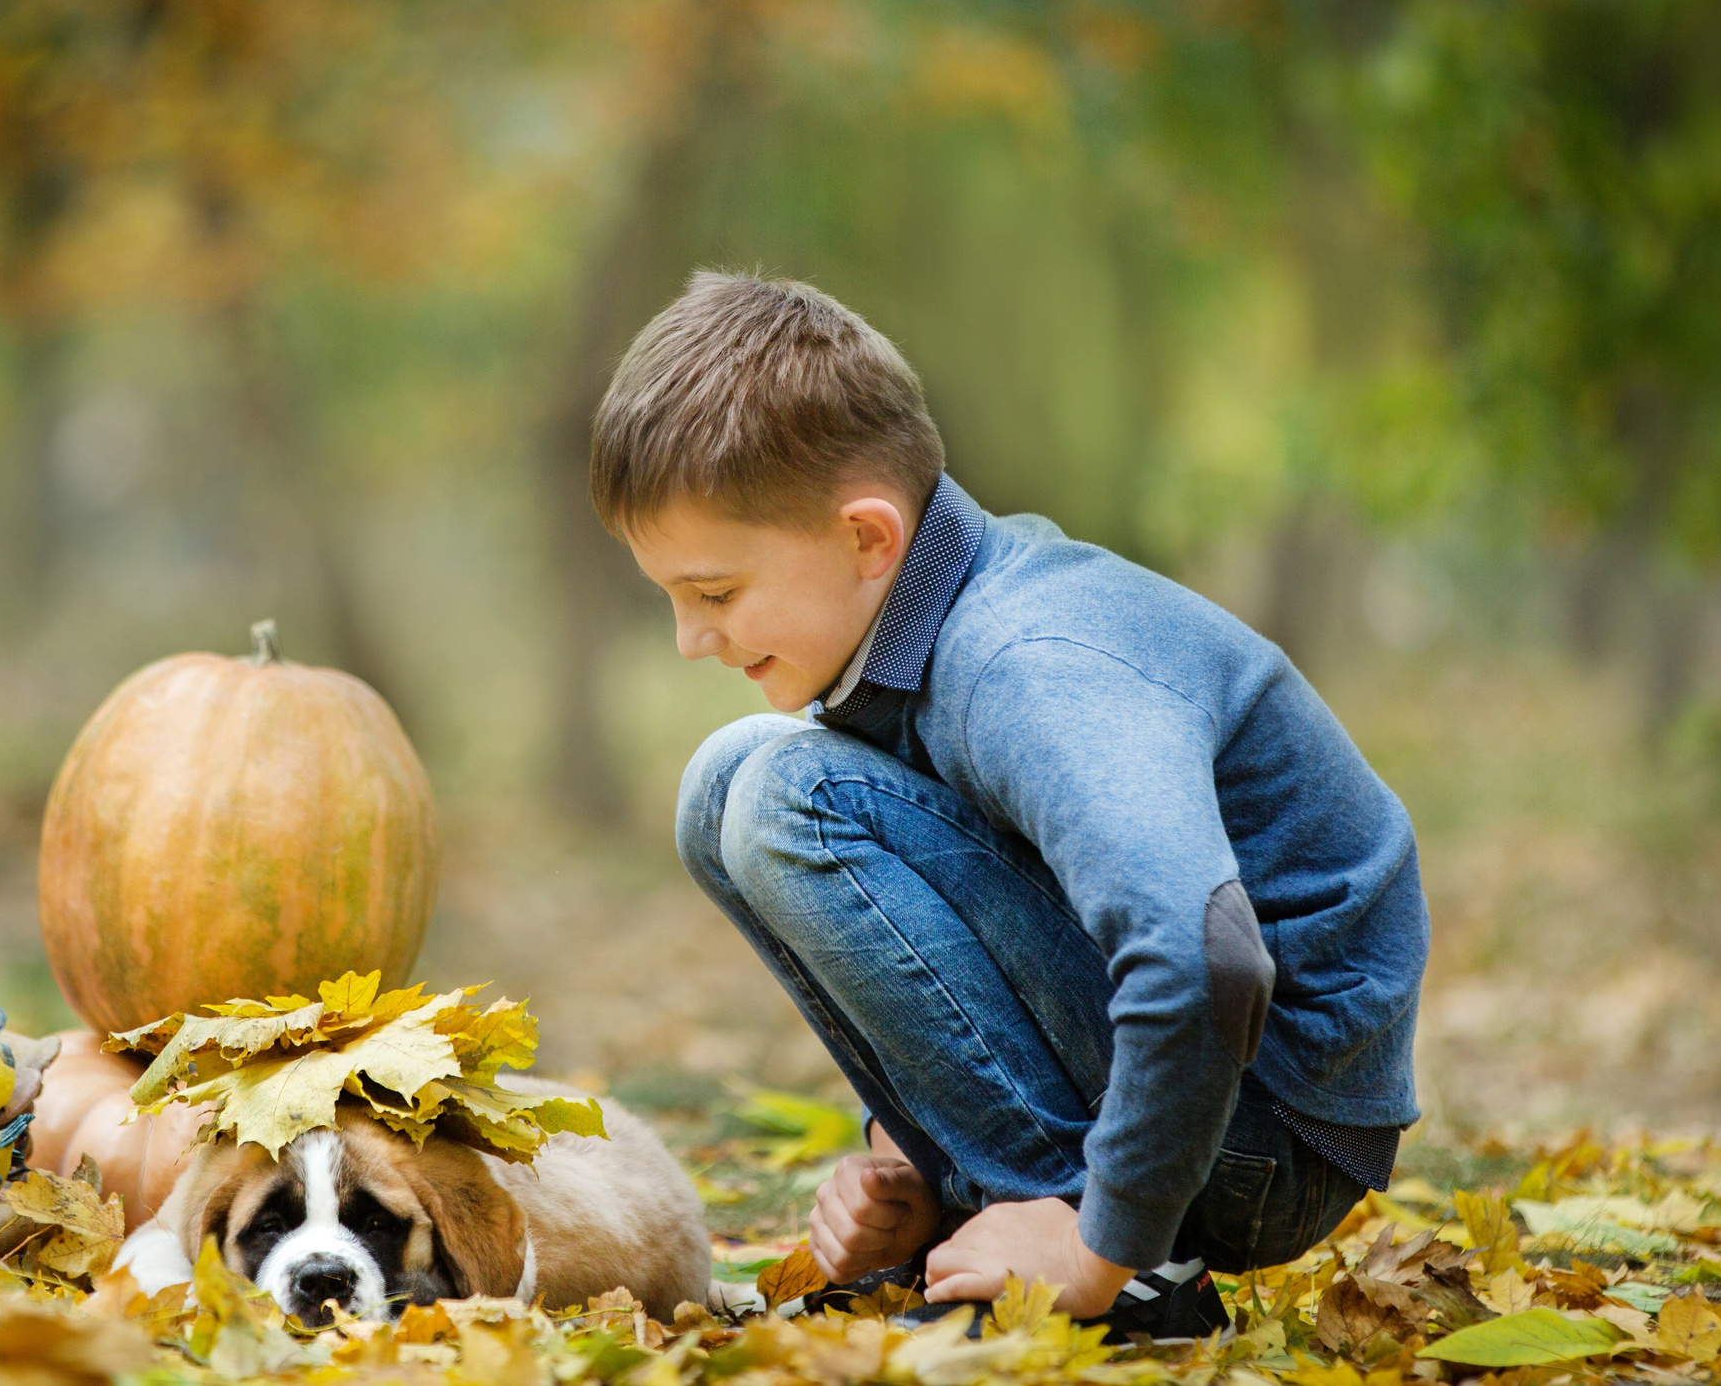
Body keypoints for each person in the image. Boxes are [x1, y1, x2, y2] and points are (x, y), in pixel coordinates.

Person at [591, 272, 1427, 1337]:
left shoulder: (1023, 663)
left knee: (785, 798)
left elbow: (1207, 956)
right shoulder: (922, 627)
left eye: (714, 593)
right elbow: (993, 882)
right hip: (1189, 1094)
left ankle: (1121, 1280)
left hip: (1263, 1125)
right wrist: (909, 1155)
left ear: (868, 539)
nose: (690, 638)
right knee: (727, 778)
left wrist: (1096, 1251)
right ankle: (983, 1212)